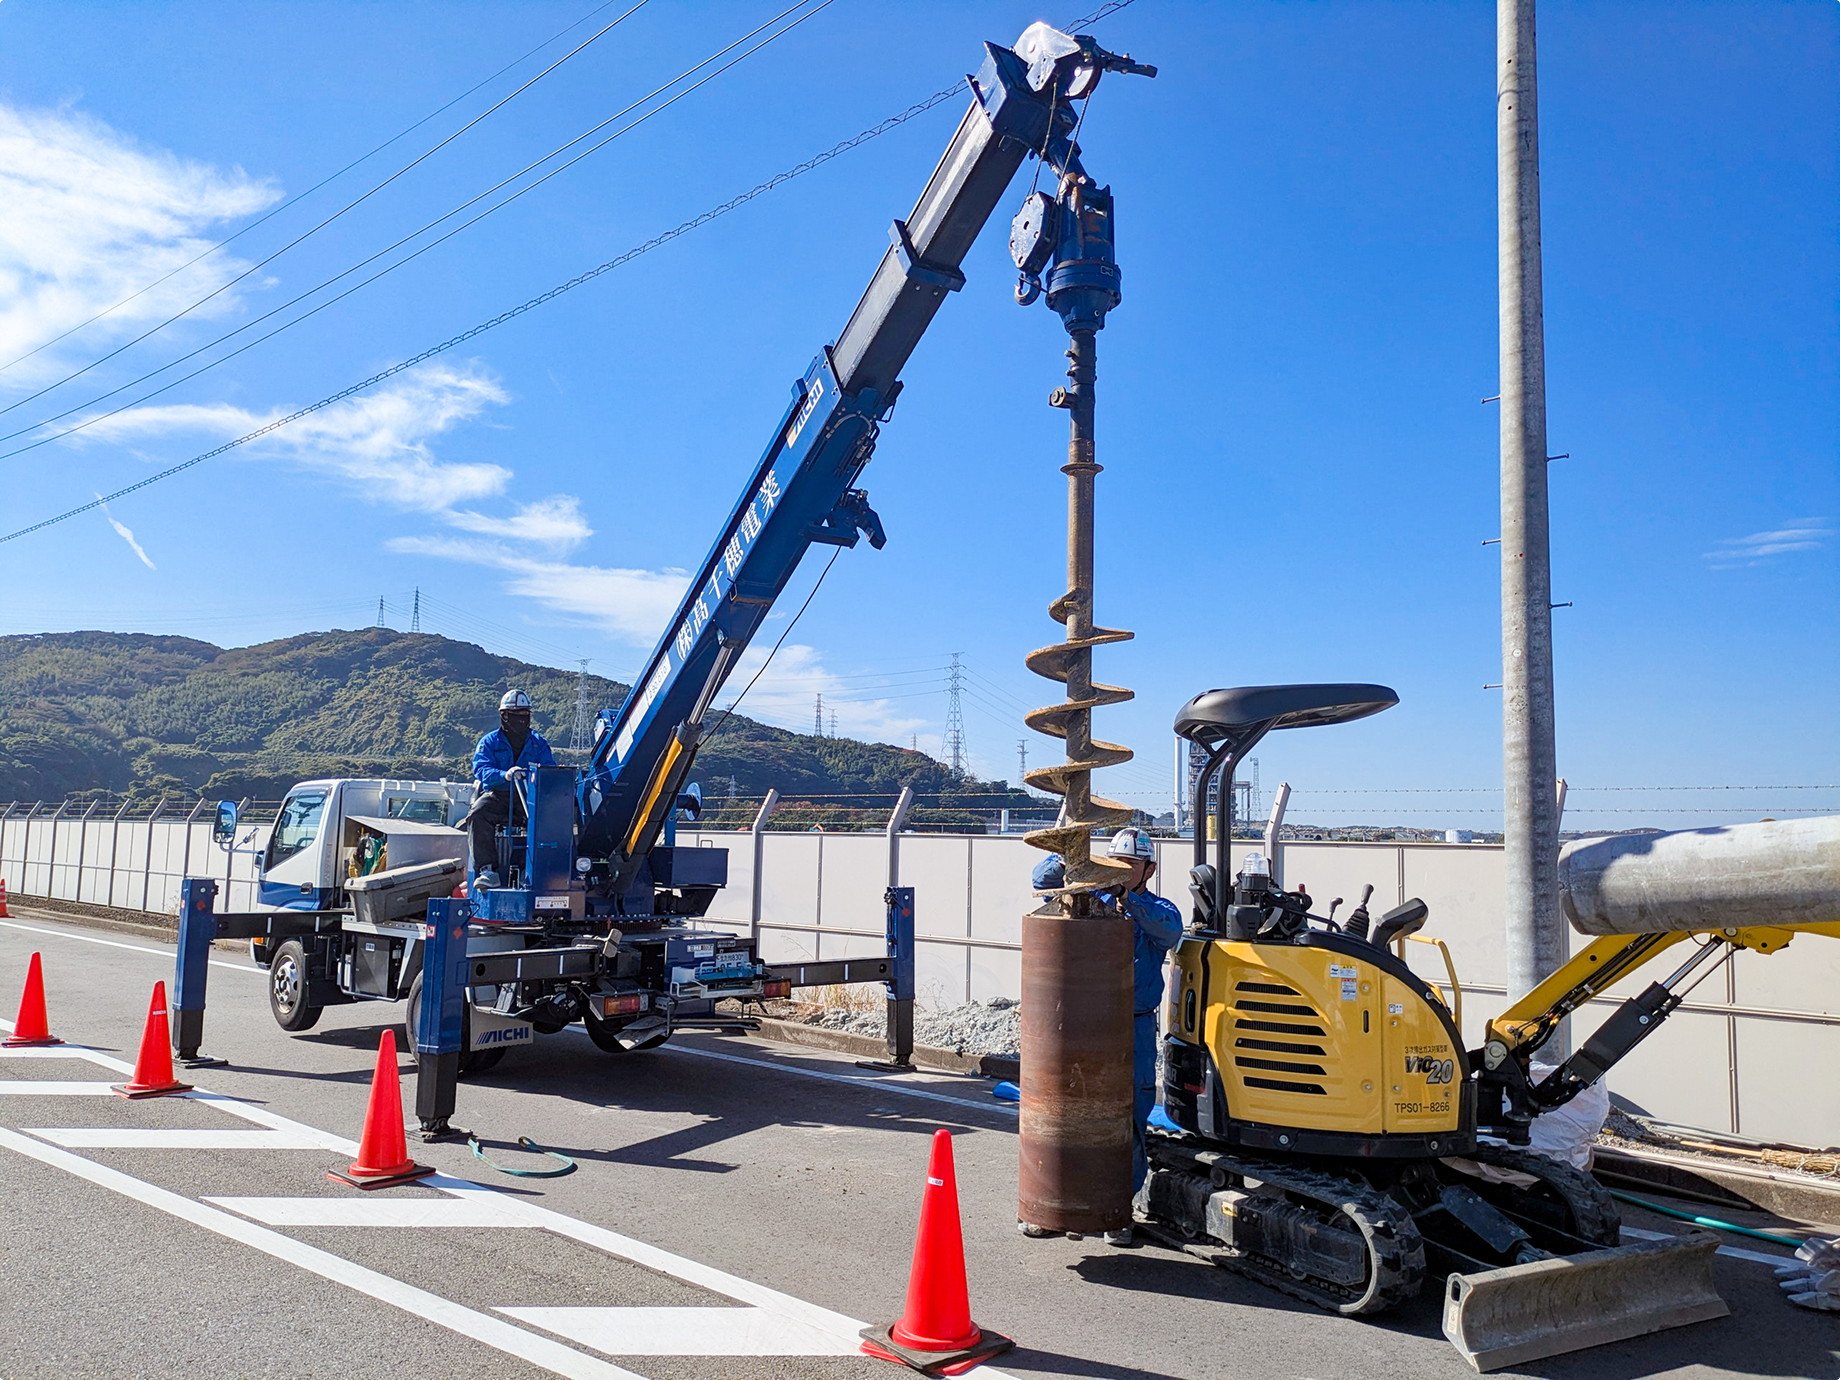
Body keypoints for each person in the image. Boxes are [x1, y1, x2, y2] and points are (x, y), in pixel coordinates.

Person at [1031, 826, 1184, 1246]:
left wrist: (1126, 898)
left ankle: (1116, 1209)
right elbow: (1042, 881)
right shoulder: (1088, 899)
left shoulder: (1156, 908)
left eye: (1131, 865)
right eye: (1116, 862)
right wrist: (1071, 858)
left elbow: (1170, 932)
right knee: (1063, 1112)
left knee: (1128, 1114)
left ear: (1149, 870)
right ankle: (1053, 1206)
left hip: (1132, 1024)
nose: (1122, 870)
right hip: (1081, 1023)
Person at [465, 689, 556, 885]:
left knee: (547, 820)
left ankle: (531, 870)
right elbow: (481, 769)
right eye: (516, 715)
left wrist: (533, 777)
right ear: (504, 716)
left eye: (525, 714)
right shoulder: (489, 742)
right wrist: (504, 775)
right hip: (498, 795)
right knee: (477, 814)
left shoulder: (539, 743)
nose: (521, 719)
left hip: (529, 797)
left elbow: (549, 769)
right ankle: (487, 870)